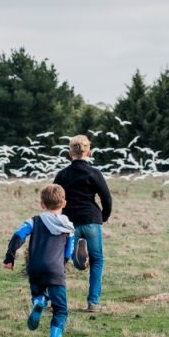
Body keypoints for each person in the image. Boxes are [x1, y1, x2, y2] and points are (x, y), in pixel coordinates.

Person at [3, 184, 75, 337]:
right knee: (61, 309)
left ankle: (38, 301)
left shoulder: (33, 221)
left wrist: (9, 258)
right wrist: (62, 265)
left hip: (35, 268)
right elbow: (68, 253)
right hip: (56, 270)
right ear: (64, 203)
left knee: (38, 292)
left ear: (42, 204)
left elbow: (18, 236)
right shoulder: (69, 227)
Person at [53, 134, 112, 312]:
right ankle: (93, 302)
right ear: (89, 152)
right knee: (97, 261)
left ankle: (78, 260)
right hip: (92, 219)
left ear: (70, 153)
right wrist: (103, 217)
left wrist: (56, 218)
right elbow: (106, 198)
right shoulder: (94, 173)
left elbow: (54, 198)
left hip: (70, 221)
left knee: (65, 260)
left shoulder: (62, 175)